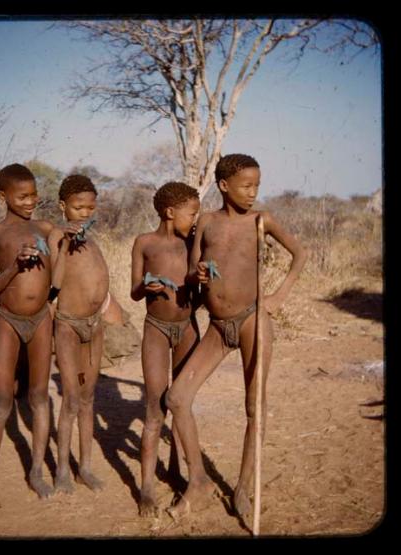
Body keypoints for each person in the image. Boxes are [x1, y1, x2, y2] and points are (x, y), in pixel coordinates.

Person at [165, 154, 307, 522]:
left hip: (251, 322)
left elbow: (300, 254)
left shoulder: (262, 220)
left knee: (253, 406)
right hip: (217, 325)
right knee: (177, 398)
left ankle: (243, 488)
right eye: (246, 185)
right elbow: (191, 273)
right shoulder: (207, 222)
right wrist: (196, 278)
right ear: (224, 186)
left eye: (257, 185)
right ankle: (198, 482)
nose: (253, 192)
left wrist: (278, 296)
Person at [0, 163, 54, 501]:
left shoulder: (45, 228)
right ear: (2, 196)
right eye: (22, 196)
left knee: (39, 396)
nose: (30, 201)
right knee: (1, 399)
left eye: (33, 195)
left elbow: (61, 270)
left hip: (41, 320)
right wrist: (15, 267)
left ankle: (37, 471)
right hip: (8, 320)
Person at [130, 181, 201, 517]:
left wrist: (199, 280)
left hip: (188, 329)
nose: (195, 218)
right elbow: (133, 291)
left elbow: (199, 293)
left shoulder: (194, 243)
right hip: (156, 330)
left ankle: (177, 472)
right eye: (192, 212)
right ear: (170, 212)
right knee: (156, 408)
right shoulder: (144, 243)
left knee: (181, 403)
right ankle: (146, 489)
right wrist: (147, 285)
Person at [48, 174, 110, 494]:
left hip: (94, 326)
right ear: (63, 206)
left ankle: (84, 467)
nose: (84, 213)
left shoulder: (92, 241)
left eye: (89, 207)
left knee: (88, 397)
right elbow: (55, 282)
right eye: (77, 207)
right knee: (71, 398)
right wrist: (63, 242)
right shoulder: (58, 235)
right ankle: (61, 469)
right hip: (69, 326)